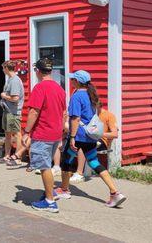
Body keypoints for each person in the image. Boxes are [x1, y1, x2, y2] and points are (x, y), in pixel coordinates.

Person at [56, 70, 126, 208]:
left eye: (73, 79)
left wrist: (72, 137)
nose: (71, 81)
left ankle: (64, 189)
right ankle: (115, 192)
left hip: (79, 136)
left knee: (67, 161)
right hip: (90, 136)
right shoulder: (91, 94)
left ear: (77, 82)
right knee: (94, 162)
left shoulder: (77, 96)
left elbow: (75, 118)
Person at [22, 58, 66, 213]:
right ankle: (51, 192)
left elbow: (34, 111)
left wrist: (27, 131)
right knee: (46, 165)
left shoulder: (39, 88)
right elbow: (63, 113)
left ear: (38, 71)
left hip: (43, 133)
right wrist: (60, 134)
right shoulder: (60, 89)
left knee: (44, 167)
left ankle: (50, 202)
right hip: (55, 133)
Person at [0, 61, 27, 166]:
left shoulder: (15, 81)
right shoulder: (10, 79)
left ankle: (17, 158)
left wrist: (4, 96)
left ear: (6, 68)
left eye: (3, 68)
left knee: (17, 134)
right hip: (7, 111)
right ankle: (7, 156)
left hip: (13, 112)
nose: (2, 70)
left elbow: (15, 98)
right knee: (7, 134)